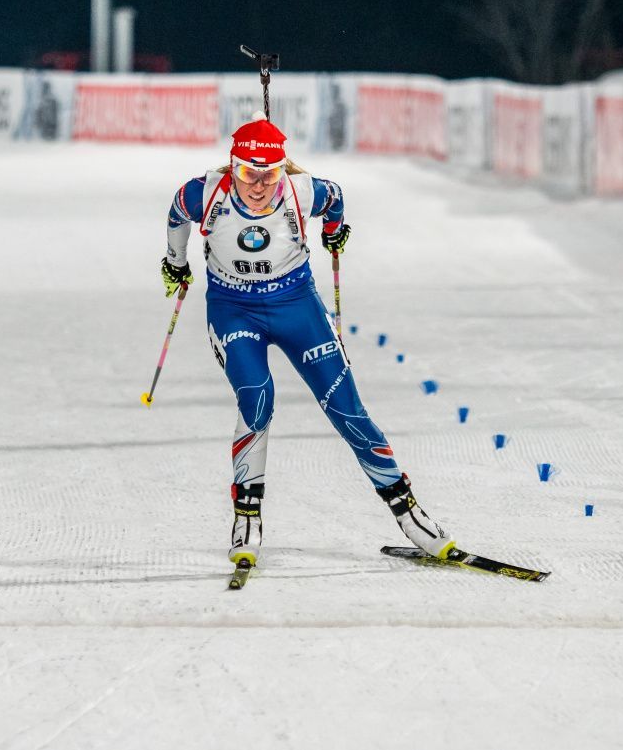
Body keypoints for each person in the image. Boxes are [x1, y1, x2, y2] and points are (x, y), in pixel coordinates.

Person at [161, 113, 455, 568]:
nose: (258, 187)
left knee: (346, 408)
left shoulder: (303, 191)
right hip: (233, 309)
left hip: (296, 306)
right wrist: (175, 262)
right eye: (247, 174)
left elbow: (335, 200)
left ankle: (409, 513)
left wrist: (334, 232)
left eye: (270, 175)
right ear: (231, 167)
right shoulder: (204, 193)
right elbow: (177, 213)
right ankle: (247, 516)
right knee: (257, 397)